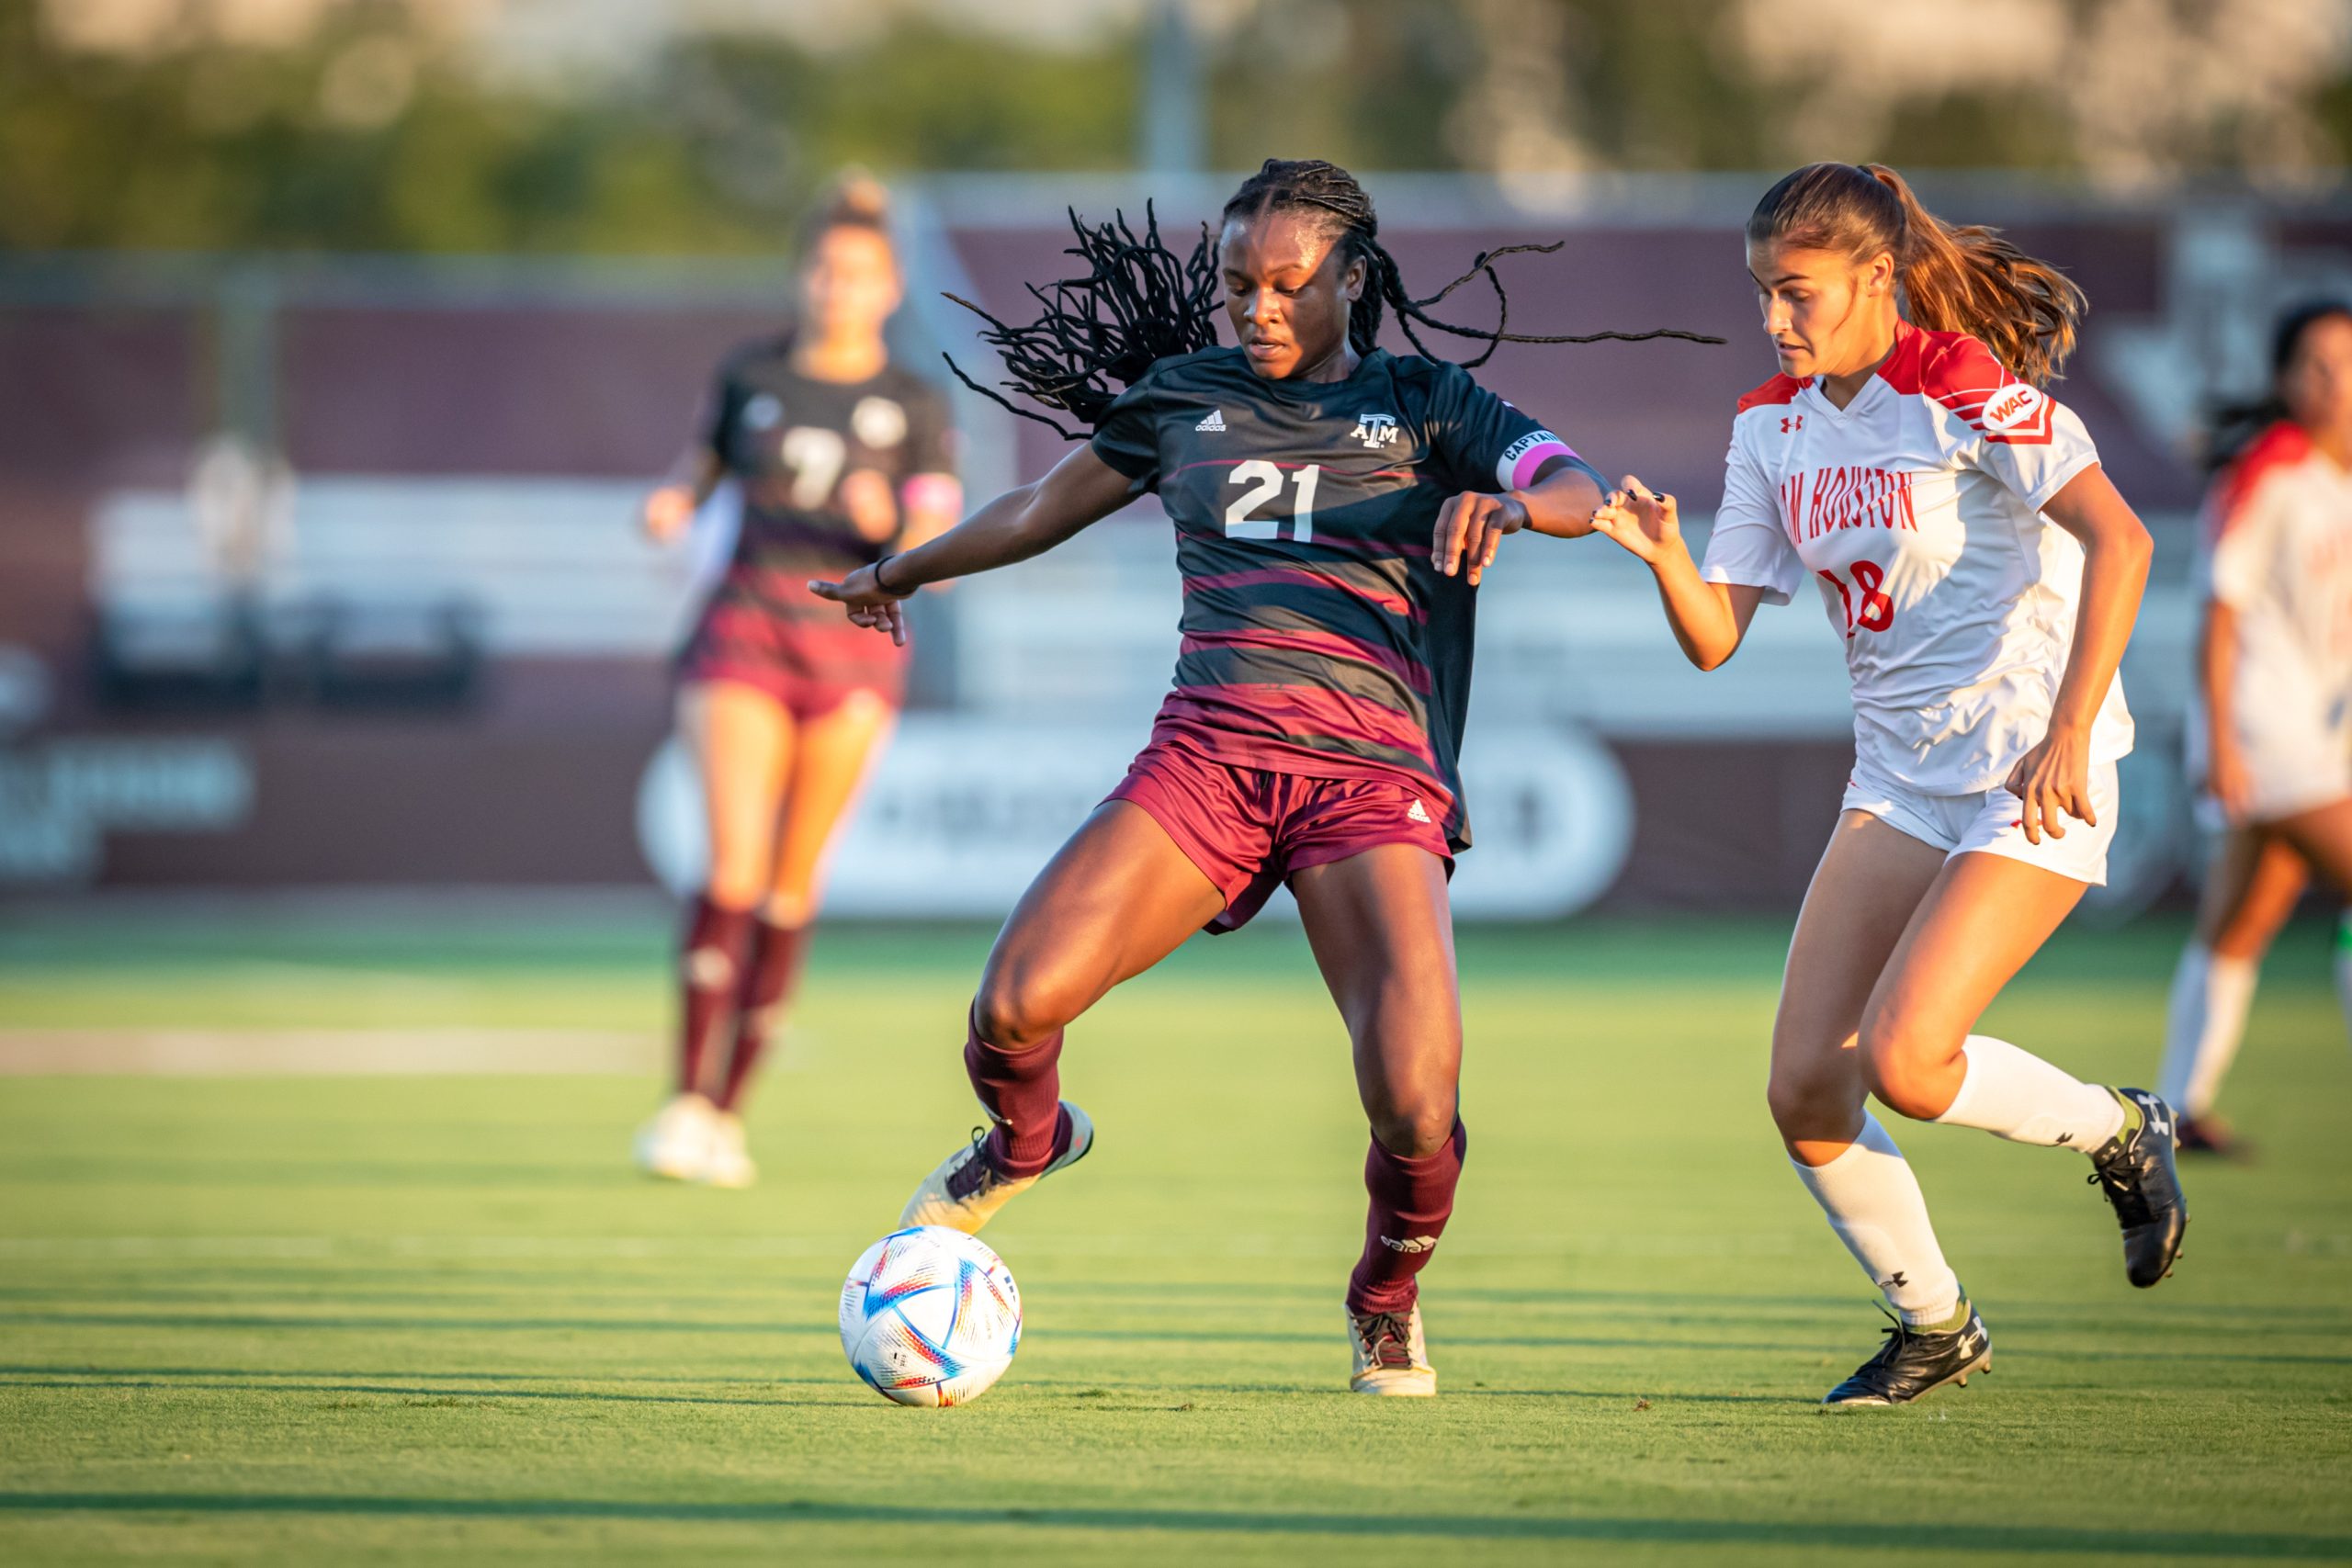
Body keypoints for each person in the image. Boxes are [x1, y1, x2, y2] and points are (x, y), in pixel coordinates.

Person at [812, 158, 1712, 1394]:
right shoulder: (1184, 397)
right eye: (1238, 283)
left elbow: (1570, 482)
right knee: (1015, 1003)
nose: (1258, 307)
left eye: (1286, 285)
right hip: (1209, 764)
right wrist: (901, 570)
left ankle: (1385, 1294)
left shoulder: (1430, 400)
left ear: (1353, 276)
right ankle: (1027, 1144)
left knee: (1413, 1096)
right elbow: (1037, 503)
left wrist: (1514, 513)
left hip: (1371, 781)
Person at [1585, 162, 2187, 1406]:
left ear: (1875, 278)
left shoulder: (1961, 387)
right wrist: (1661, 556)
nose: (1776, 320)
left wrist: (2074, 726)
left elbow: (2122, 539)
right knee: (1806, 1084)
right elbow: (1716, 637)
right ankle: (1935, 1321)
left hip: (2028, 764)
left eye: (1797, 293)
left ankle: (2124, 1130)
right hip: (1901, 778)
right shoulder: (1771, 424)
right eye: (1762, 295)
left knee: (1913, 1058)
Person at [633, 178, 962, 1188]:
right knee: (731, 866)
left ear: (890, 286)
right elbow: (698, 470)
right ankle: (685, 1102)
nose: (838, 287)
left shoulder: (913, 402)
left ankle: (729, 1111)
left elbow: (932, 530)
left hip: (852, 647)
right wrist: (671, 503)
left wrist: (886, 525)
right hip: (746, 628)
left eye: (858, 272)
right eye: (824, 269)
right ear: (800, 277)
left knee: (790, 882)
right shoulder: (752, 373)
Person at [2157, 301, 2352, 1156]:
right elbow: (2220, 610)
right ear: (2283, 380)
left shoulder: (2335, 479)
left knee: (2238, 923)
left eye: (2347, 363)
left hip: (2314, 733)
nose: (2336, 381)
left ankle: (2174, 1111)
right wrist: (2223, 743)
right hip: (2265, 735)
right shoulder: (2270, 469)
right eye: (2315, 364)